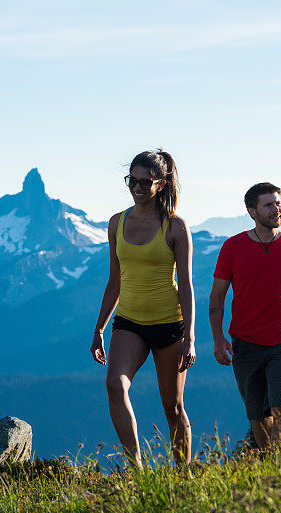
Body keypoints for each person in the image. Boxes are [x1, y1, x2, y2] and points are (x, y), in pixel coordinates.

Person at [90, 149, 195, 467]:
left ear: (161, 184)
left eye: (144, 182)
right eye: (131, 180)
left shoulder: (175, 227)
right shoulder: (116, 223)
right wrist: (99, 330)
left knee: (172, 407)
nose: (137, 187)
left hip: (169, 324)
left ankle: (183, 476)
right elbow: (114, 281)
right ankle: (136, 468)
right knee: (114, 385)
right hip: (129, 322)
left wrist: (190, 336)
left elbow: (187, 286)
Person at [208, 182, 281, 449]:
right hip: (245, 344)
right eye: (268, 204)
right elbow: (217, 297)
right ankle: (270, 469)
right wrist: (218, 339)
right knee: (258, 416)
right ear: (252, 212)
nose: (276, 209)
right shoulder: (232, 247)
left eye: (278, 203)